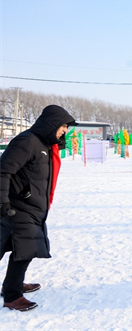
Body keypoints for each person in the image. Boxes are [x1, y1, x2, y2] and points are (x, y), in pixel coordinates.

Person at [0, 105, 77, 311]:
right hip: (17, 207)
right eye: (63, 126)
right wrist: (2, 202)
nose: (65, 131)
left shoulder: (45, 143)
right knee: (25, 250)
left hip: (32, 207)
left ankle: (12, 285)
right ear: (51, 123)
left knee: (22, 249)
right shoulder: (27, 142)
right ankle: (12, 295)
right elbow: (3, 171)